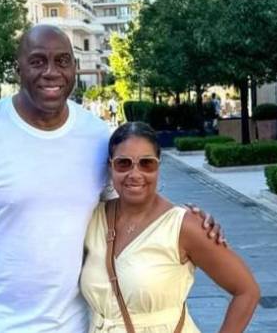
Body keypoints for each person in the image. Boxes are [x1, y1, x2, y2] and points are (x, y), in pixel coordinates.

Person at [0, 25, 224, 333]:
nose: (51, 72)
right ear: (17, 69)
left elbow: (127, 209)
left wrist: (186, 220)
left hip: (74, 325)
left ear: (75, 68)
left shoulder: (96, 135)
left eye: (62, 61)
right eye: (38, 61)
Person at [81, 122, 260, 333]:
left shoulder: (184, 226)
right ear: (110, 166)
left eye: (146, 163)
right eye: (123, 163)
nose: (135, 174)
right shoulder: (92, 219)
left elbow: (247, 291)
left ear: (158, 166)